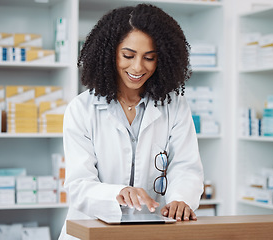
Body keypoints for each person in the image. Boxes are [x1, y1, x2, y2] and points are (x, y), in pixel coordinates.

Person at [59, 4, 204, 239]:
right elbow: (79, 184)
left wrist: (180, 200)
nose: (137, 67)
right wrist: (120, 193)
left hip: (151, 231)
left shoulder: (175, 107)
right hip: (91, 232)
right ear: (110, 53)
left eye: (149, 58)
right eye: (128, 55)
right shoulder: (82, 109)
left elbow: (186, 167)